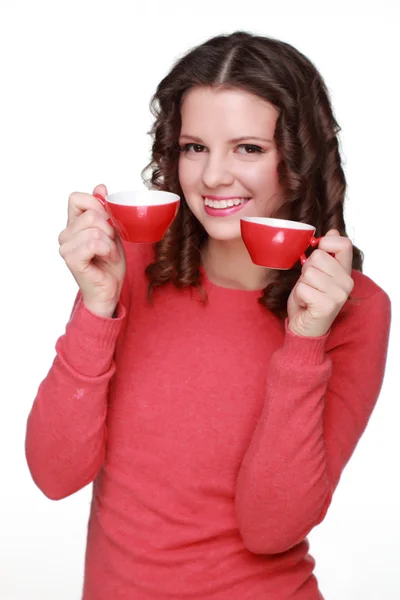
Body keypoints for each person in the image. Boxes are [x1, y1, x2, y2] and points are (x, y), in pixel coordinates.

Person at [25, 31, 391, 600]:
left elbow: (270, 528)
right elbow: (54, 475)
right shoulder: (131, 263)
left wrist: (303, 342)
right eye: (194, 147)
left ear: (299, 156)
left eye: (248, 148)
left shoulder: (353, 308)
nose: (213, 176)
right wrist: (98, 308)